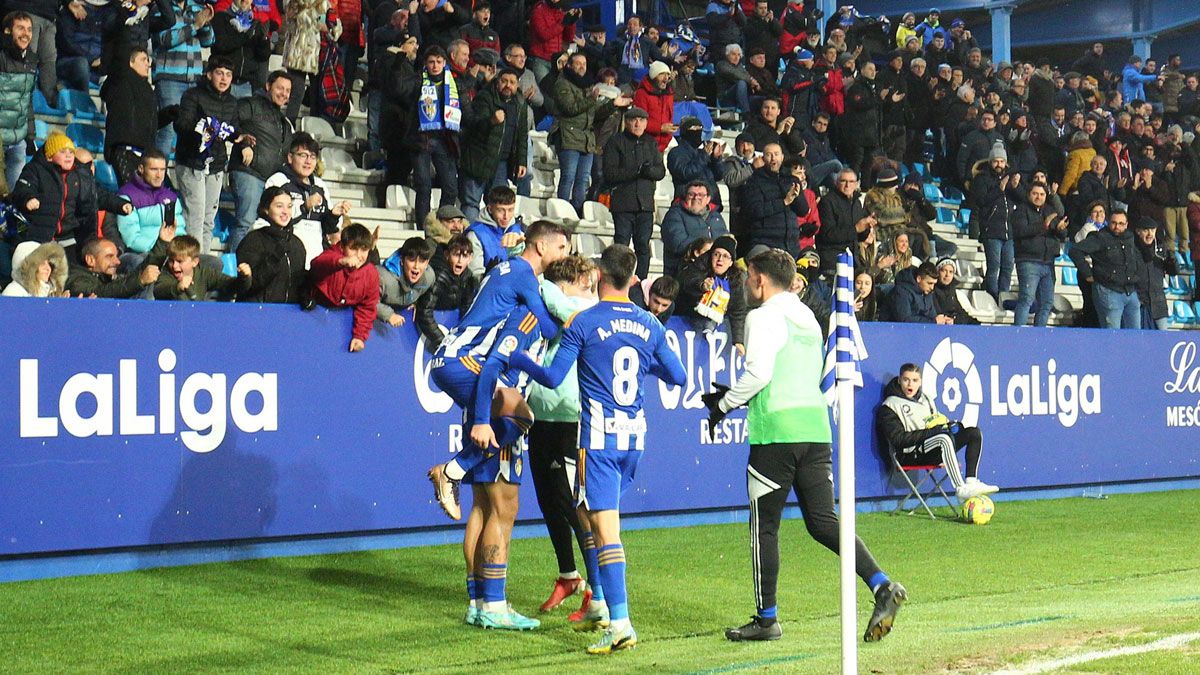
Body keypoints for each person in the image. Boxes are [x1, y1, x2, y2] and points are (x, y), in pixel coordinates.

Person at [702, 248, 905, 643]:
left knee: (765, 528)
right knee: (823, 521)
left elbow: (759, 373)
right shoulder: (808, 317)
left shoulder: (762, 317)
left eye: (749, 277)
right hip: (815, 429)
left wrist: (724, 404)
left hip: (777, 432)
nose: (746, 283)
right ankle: (880, 583)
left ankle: (767, 620)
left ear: (760, 280)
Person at [508, 244, 687, 654]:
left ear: (598, 276)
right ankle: (601, 604)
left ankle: (620, 622)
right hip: (634, 439)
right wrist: (644, 361)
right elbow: (676, 375)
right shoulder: (649, 323)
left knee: (606, 533)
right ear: (634, 277)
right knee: (586, 512)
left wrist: (520, 360)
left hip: (600, 440)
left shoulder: (585, 323)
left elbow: (552, 378)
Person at [426, 220, 570, 521]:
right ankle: (451, 472)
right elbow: (544, 325)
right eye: (561, 248)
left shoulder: (507, 268)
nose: (564, 255)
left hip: (455, 357)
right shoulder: (524, 275)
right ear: (540, 246)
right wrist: (572, 319)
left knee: (516, 421)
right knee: (518, 416)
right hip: (463, 358)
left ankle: (453, 472)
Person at [525, 255, 599, 617]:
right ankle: (569, 576)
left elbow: (565, 307)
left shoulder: (584, 305)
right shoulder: (555, 303)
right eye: (584, 278)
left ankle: (598, 590)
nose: (590, 283)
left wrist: (531, 276)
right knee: (548, 501)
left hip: (572, 416)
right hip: (540, 415)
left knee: (574, 504)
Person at [877, 363, 1000, 500]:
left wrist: (950, 426)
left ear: (920, 382)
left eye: (915, 380)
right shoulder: (890, 405)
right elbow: (898, 440)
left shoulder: (926, 400)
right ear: (899, 380)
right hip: (911, 454)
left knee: (973, 433)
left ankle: (971, 482)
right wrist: (933, 432)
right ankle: (961, 488)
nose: (910, 384)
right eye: (906, 380)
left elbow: (935, 421)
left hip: (932, 447)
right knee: (943, 438)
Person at [174, 56, 252, 254]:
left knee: (208, 219)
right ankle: (191, 263)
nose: (224, 79)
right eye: (219, 73)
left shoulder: (233, 102)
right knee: (195, 217)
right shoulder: (192, 95)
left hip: (216, 165)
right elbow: (182, 125)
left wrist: (243, 142)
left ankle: (203, 262)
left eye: (228, 74)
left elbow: (234, 130)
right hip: (192, 162)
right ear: (209, 74)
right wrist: (204, 130)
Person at [553, 52, 631, 211]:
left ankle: (577, 210)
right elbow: (570, 108)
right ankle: (561, 212)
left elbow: (596, 113)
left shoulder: (588, 86)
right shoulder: (562, 84)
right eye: (578, 63)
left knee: (582, 179)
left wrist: (613, 105)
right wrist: (592, 99)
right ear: (569, 65)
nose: (582, 66)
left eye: (584, 63)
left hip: (587, 139)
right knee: (568, 177)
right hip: (569, 136)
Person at [229, 71, 294, 252]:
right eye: (280, 88)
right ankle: (233, 271)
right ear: (268, 86)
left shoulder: (284, 122)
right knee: (246, 223)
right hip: (249, 173)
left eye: (288, 90)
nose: (284, 93)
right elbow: (230, 117)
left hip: (271, 179)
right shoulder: (251, 104)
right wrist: (243, 142)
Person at [264, 133, 350, 265]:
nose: (308, 161)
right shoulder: (277, 181)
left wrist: (333, 215)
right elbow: (271, 219)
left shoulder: (320, 185)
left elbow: (329, 229)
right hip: (285, 257)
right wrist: (304, 207)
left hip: (316, 258)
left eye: (313, 156)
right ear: (290, 157)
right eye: (303, 155)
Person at [458, 68, 528, 222]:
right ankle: (469, 240)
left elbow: (522, 135)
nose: (507, 85)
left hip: (501, 164)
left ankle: (494, 241)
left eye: (512, 82)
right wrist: (491, 121)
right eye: (504, 81)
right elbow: (473, 125)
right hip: (478, 159)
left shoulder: (520, 104)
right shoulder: (484, 97)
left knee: (500, 205)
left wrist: (521, 161)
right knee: (471, 203)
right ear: (497, 83)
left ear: (517, 85)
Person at [603, 106, 664, 280]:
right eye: (633, 120)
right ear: (627, 122)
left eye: (641, 120)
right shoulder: (615, 141)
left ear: (646, 123)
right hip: (623, 204)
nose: (637, 123)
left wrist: (648, 171)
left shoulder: (651, 143)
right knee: (621, 244)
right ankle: (618, 279)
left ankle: (641, 281)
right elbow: (610, 173)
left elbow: (660, 171)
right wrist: (637, 171)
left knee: (643, 246)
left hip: (645, 205)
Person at [153, 0, 217, 156]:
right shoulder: (160, 7)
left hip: (194, 81)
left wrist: (206, 23)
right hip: (169, 79)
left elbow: (209, 41)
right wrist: (194, 26)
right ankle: (157, 176)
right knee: (167, 131)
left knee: (191, 132)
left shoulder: (197, 8)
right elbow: (164, 39)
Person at [408, 45, 461, 227]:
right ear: (425, 64)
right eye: (431, 62)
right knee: (423, 186)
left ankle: (442, 225)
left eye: (439, 62)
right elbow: (400, 90)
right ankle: (424, 228)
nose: (435, 66)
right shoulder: (417, 81)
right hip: (421, 140)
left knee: (451, 188)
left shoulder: (454, 83)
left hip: (444, 140)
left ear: (445, 63)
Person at [306, 223, 380, 352]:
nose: (358, 255)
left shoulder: (371, 274)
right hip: (310, 316)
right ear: (342, 246)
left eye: (364, 250)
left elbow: (367, 307)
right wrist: (340, 262)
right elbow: (317, 265)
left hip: (340, 325)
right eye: (353, 249)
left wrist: (359, 336)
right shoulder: (331, 257)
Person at [1068, 209, 1142, 329]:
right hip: (1109, 290)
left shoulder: (1130, 238)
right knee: (1112, 334)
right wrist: (1087, 273)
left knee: (1135, 335)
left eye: (1121, 223)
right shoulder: (1100, 238)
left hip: (1130, 290)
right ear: (1108, 222)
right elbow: (1075, 250)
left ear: (1127, 224)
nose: (1117, 226)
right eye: (1113, 223)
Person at [736, 143, 809, 259]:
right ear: (763, 158)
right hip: (765, 244)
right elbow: (754, 211)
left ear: (782, 157)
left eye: (776, 154)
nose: (773, 158)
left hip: (791, 245)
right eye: (769, 155)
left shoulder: (792, 179)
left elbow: (803, 211)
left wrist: (797, 196)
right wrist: (784, 202)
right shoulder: (754, 181)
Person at [676, 234, 748, 352]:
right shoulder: (699, 265)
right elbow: (687, 282)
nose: (720, 259)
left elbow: (738, 311)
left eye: (725, 256)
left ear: (731, 262)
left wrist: (738, 340)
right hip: (688, 320)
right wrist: (702, 286)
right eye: (716, 254)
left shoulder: (736, 280)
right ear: (711, 256)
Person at [100, 45, 160, 186]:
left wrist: (167, 115)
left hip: (144, 153)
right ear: (130, 63)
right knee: (134, 194)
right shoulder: (121, 81)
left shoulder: (148, 91)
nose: (147, 63)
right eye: (143, 59)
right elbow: (119, 56)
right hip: (124, 152)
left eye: (148, 60)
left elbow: (145, 122)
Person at [236, 186, 307, 303]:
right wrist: (275, 257)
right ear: (266, 209)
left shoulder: (296, 243)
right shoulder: (253, 240)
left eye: (289, 206)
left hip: (288, 315)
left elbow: (299, 283)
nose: (285, 212)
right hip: (258, 314)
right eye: (279, 206)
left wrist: (305, 296)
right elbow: (249, 285)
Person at [117, 150, 186, 268]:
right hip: (144, 254)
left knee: (212, 263)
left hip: (172, 252)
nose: (159, 175)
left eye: (162, 170)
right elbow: (132, 238)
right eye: (154, 169)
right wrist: (161, 248)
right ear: (141, 169)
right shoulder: (127, 196)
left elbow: (180, 230)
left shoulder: (171, 196)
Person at [1013, 183, 1068, 327]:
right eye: (1035, 194)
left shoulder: (1050, 210)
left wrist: (1060, 229)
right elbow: (1020, 232)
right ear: (1029, 194)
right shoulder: (1021, 210)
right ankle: (1017, 335)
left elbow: (1062, 234)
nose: (1039, 197)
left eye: (1042, 194)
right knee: (1026, 299)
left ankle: (1039, 335)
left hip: (1048, 262)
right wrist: (1043, 226)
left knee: (1047, 303)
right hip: (1028, 261)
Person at [970, 144, 1021, 300]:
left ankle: (1002, 297)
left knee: (1007, 267)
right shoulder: (981, 179)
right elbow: (981, 201)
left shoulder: (1011, 179)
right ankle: (991, 296)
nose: (999, 164)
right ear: (990, 162)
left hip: (1010, 232)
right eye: (995, 161)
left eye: (1001, 161)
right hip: (991, 230)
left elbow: (1023, 199)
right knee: (994, 266)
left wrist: (1015, 187)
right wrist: (999, 189)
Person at [65, 223, 171, 297]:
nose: (117, 261)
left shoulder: (108, 278)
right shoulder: (76, 279)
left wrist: (162, 243)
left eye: (116, 256)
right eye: (109, 256)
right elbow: (100, 293)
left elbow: (136, 276)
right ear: (90, 260)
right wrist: (140, 280)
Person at [415, 233, 479, 350]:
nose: (460, 261)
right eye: (456, 255)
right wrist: (442, 341)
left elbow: (467, 311)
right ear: (447, 255)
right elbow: (424, 312)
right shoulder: (439, 276)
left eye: (464, 256)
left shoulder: (469, 279)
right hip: (435, 333)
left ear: (470, 258)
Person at [0, 11, 38, 192]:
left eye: (29, 29)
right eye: (20, 28)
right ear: (7, 31)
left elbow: (27, 101)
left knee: (15, 196)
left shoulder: (32, 59)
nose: (26, 34)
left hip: (18, 141)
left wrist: (30, 136)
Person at [816, 168, 876, 278]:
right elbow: (827, 235)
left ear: (857, 184)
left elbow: (860, 237)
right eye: (843, 181)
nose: (847, 185)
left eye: (851, 181)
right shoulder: (827, 202)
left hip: (852, 260)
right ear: (836, 182)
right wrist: (856, 229)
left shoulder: (857, 202)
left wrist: (866, 227)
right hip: (833, 261)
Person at [660, 180, 728, 277]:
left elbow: (725, 241)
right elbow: (678, 244)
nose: (696, 198)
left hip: (713, 275)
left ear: (708, 199)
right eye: (691, 194)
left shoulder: (716, 217)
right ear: (686, 197)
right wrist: (705, 247)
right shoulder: (674, 215)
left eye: (701, 195)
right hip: (683, 273)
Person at [153, 234, 251, 300]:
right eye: (171, 260)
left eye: (179, 261)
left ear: (194, 262)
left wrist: (244, 277)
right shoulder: (165, 273)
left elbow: (232, 285)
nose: (174, 266)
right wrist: (177, 287)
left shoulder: (204, 273)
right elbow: (159, 290)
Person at [376, 236, 436, 328]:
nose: (416, 266)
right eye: (412, 260)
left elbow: (429, 296)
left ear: (427, 263)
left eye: (421, 261)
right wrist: (389, 315)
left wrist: (418, 303)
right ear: (402, 260)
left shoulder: (429, 277)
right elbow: (367, 301)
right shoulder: (383, 278)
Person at [464, 185, 522, 276]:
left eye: (510, 210)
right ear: (490, 209)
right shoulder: (475, 235)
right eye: (500, 210)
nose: (506, 216)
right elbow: (475, 276)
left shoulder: (517, 231)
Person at [1132, 217, 1176, 330]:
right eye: (1146, 230)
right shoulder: (1132, 250)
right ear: (1138, 231)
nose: (1150, 234)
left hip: (1159, 304)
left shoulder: (1161, 250)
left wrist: (1172, 262)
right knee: (1140, 339)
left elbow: (1173, 272)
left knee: (1162, 339)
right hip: (1139, 303)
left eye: (1152, 230)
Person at [3, 240, 67, 297]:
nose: (48, 269)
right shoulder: (13, 293)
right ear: (28, 267)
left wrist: (61, 307)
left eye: (49, 264)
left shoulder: (45, 294)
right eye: (42, 263)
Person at [932, 258, 979, 325]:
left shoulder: (951, 290)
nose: (947, 275)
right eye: (944, 271)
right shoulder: (931, 290)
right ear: (938, 272)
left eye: (951, 272)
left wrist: (956, 320)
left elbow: (960, 311)